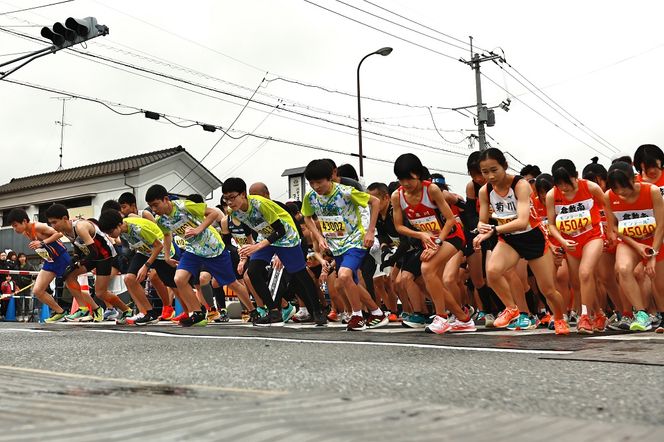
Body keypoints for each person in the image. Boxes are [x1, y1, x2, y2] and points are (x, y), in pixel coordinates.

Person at [473, 148, 569, 335]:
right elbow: (482, 220)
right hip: (509, 239)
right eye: (485, 172)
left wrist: (493, 230)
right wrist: (481, 230)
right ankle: (512, 308)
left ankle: (559, 317)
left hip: (532, 237)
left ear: (505, 166)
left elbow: (522, 221)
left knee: (548, 289)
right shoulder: (485, 191)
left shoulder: (520, 185)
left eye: (494, 170)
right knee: (492, 272)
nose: (490, 176)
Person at [223, 177, 326, 326]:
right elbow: (247, 231)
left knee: (300, 274)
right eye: (226, 199)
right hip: (266, 237)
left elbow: (280, 230)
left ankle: (317, 310)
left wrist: (258, 247)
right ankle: (273, 311)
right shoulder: (234, 212)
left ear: (243, 194)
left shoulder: (260, 204)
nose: (230, 202)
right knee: (253, 271)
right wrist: (245, 254)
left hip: (285, 235)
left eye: (232, 197)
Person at [145, 184, 251, 327]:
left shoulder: (184, 206)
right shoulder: (161, 220)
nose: (154, 209)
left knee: (232, 284)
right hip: (193, 250)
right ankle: (198, 314)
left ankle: (253, 310)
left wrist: (198, 229)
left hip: (213, 248)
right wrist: (167, 256)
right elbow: (166, 235)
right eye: (151, 207)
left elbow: (213, 213)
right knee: (179, 278)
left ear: (165, 199)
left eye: (156, 205)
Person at [391, 154, 474, 334]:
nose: (405, 183)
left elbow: (451, 220)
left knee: (427, 269)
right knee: (426, 279)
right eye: (401, 179)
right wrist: (420, 234)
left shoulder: (432, 190)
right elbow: (398, 226)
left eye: (410, 179)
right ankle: (463, 318)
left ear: (419, 175)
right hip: (428, 239)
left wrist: (437, 242)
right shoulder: (397, 196)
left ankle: (441, 317)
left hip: (451, 236)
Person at [301, 160, 387, 331]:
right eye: (312, 183)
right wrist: (318, 237)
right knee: (348, 281)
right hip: (336, 244)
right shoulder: (310, 197)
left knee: (345, 275)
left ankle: (357, 316)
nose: (316, 186)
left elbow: (375, 202)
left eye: (319, 182)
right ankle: (377, 313)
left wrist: (370, 231)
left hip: (356, 240)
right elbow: (307, 217)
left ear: (330, 179)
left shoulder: (346, 192)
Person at [545, 159, 609, 333]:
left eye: (568, 182)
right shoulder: (552, 195)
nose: (564, 188)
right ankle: (599, 314)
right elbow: (551, 224)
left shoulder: (590, 188)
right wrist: (563, 241)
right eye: (559, 184)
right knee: (579, 281)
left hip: (593, 236)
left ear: (576, 176)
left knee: (585, 272)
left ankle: (585, 317)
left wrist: (611, 233)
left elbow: (608, 208)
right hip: (570, 242)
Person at [45, 203, 132, 323]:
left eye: (54, 222)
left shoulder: (80, 227)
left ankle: (126, 310)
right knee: (69, 276)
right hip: (92, 256)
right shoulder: (64, 229)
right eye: (50, 223)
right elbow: (77, 245)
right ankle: (84, 309)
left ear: (65, 218)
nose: (52, 226)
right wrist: (75, 258)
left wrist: (79, 263)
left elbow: (94, 252)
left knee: (101, 293)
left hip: (104, 257)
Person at [604, 161, 664, 332]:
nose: (621, 192)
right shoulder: (609, 196)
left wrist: (652, 255)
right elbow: (614, 227)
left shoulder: (651, 191)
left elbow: (661, 225)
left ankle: (660, 315)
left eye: (623, 186)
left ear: (633, 179)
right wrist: (636, 245)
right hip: (629, 241)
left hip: (654, 240)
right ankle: (641, 314)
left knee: (659, 283)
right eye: (616, 188)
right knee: (622, 269)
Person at [98, 209, 182, 325]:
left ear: (119, 225)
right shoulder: (122, 229)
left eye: (110, 231)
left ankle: (191, 310)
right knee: (129, 278)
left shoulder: (137, 229)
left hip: (161, 251)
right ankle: (148, 312)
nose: (110, 235)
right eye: (107, 233)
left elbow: (158, 246)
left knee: (172, 284)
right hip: (144, 251)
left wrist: (146, 266)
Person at [7, 208, 71, 323]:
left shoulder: (38, 226)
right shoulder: (26, 232)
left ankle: (93, 309)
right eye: (13, 226)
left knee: (72, 286)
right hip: (49, 260)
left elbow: (60, 233)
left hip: (61, 257)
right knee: (37, 290)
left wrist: (42, 243)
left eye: (15, 225)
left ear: (24, 221)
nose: (14, 229)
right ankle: (60, 312)